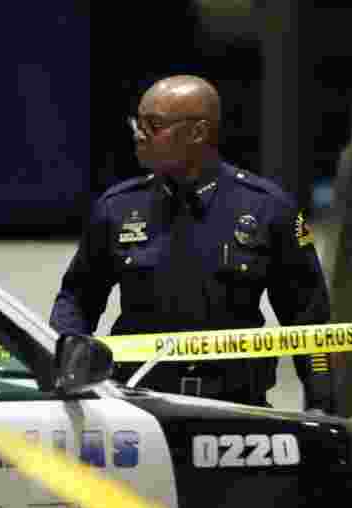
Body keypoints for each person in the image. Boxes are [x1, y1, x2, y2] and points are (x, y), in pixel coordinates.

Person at [49, 75, 334, 413]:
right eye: (136, 123)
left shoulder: (266, 207)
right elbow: (78, 298)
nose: (139, 134)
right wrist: (65, 364)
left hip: (236, 408)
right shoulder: (119, 207)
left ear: (198, 133)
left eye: (153, 125)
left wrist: (321, 403)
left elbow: (308, 318)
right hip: (139, 405)